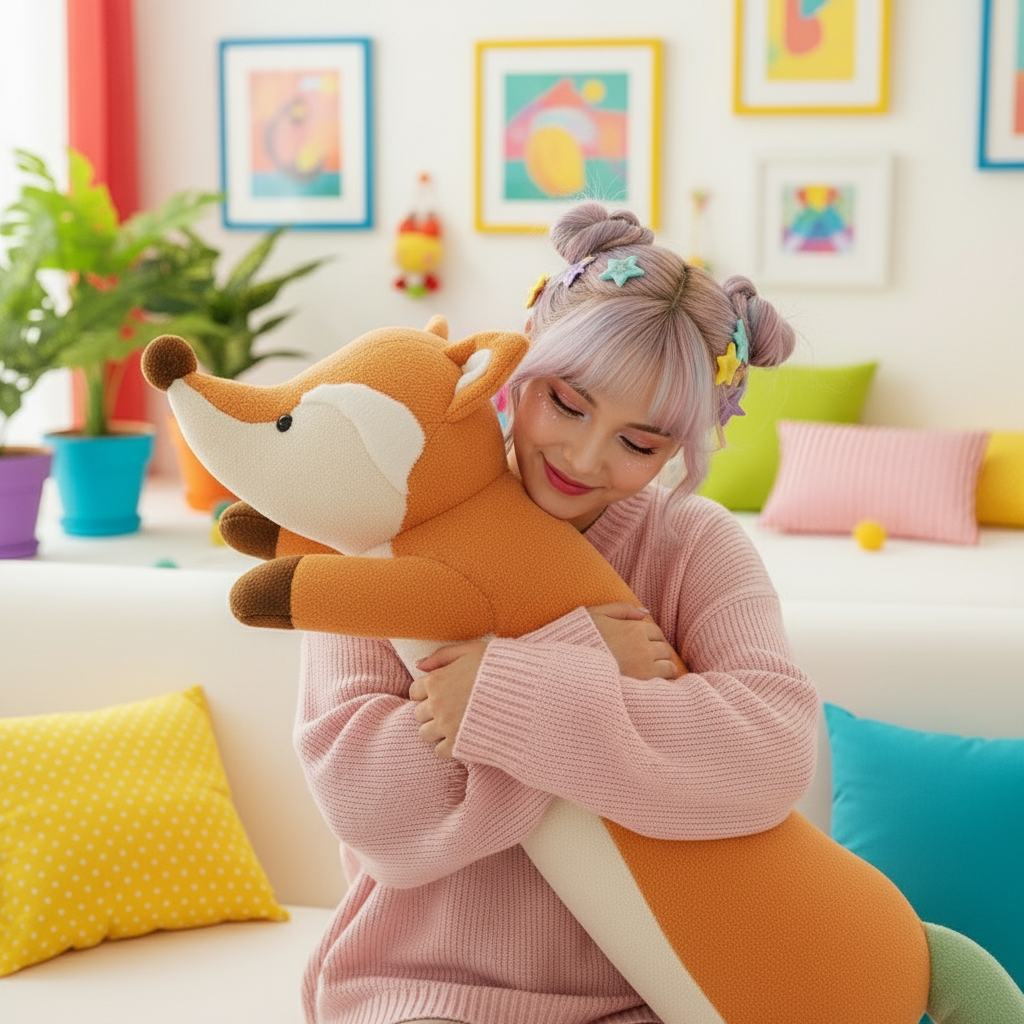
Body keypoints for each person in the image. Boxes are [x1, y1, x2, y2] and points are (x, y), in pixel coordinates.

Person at [295, 202, 820, 1024]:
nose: (583, 456)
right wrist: (597, 674)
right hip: (421, 992)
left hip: (646, 997)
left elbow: (772, 754)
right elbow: (372, 806)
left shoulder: (692, 543)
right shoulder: (388, 525)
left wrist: (502, 695)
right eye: (566, 404)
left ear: (681, 446)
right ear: (522, 359)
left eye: (639, 444)